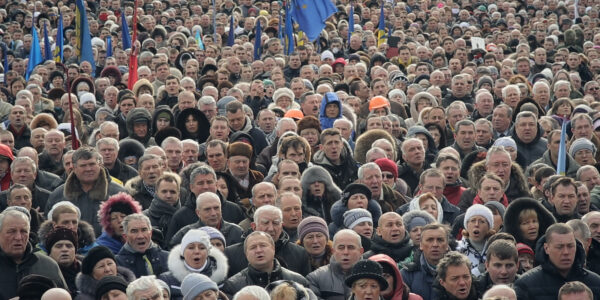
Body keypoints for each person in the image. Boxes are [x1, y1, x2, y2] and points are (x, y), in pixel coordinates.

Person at [46, 147, 126, 234]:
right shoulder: (59, 195)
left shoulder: (118, 194)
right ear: (74, 168)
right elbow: (49, 228)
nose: (88, 169)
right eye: (83, 165)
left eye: (92, 164)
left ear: (100, 165)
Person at [514, 223, 600, 299]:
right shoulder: (526, 284)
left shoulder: (596, 283)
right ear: (546, 248)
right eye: (559, 247)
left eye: (570, 246)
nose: (566, 252)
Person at [224, 205, 310, 277]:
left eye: (275, 223)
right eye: (265, 223)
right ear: (254, 226)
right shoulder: (231, 254)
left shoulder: (299, 253)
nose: (271, 228)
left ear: (282, 226)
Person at [221, 231, 309, 297]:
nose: (258, 250)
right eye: (253, 247)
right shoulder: (233, 286)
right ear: (246, 254)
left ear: (273, 249)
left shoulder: (297, 281)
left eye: (263, 245)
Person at [159, 229, 228, 300]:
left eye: (202, 248)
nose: (196, 251)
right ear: (183, 252)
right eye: (191, 248)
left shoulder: (220, 277)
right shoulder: (167, 279)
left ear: (208, 252)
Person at [169, 192, 243, 248]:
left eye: (216, 208)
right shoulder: (184, 235)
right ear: (198, 213)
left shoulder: (237, 232)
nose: (213, 213)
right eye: (207, 209)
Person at [307, 229, 365, 300]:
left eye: (351, 247)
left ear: (361, 251)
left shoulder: (373, 278)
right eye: (341, 248)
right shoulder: (315, 278)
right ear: (333, 251)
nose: (345, 252)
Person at [401, 223, 450, 300]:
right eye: (430, 240)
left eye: (440, 240)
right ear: (421, 245)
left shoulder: (460, 272)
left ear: (447, 245)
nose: (435, 244)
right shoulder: (407, 274)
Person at [115, 214, 169, 278]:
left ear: (150, 233)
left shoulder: (168, 258)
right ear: (125, 237)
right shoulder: (117, 263)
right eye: (134, 231)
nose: (140, 236)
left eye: (144, 230)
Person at [456, 204, 495, 276]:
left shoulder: (495, 249)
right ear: (466, 225)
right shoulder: (457, 249)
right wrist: (478, 271)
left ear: (489, 227)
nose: (476, 224)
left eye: (482, 221)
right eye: (473, 221)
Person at [44, 226, 80, 295]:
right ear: (50, 251)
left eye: (69, 246)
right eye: (59, 246)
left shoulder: (87, 273)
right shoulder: (42, 273)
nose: (64, 249)